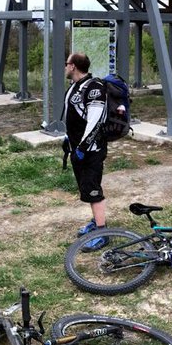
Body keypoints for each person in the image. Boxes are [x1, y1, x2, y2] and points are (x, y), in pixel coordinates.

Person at [62, 52, 108, 250]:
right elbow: (74, 117)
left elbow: (96, 121)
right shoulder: (76, 86)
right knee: (87, 189)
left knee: (93, 190)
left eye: (66, 63)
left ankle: (102, 233)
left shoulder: (94, 88)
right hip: (78, 148)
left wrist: (82, 147)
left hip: (91, 150)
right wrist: (68, 138)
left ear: (73, 66)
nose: (65, 67)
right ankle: (95, 222)